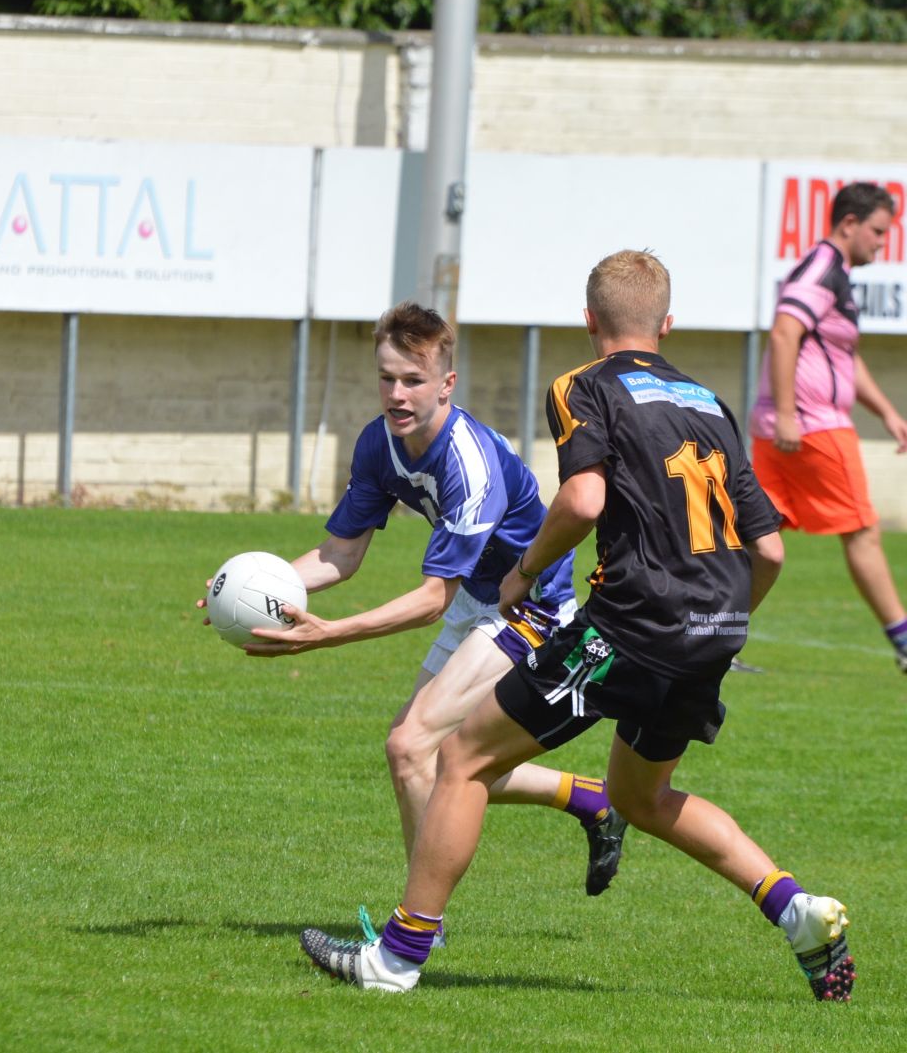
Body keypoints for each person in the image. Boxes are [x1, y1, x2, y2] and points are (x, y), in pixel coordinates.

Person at [300, 251, 854, 1003]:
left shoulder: (584, 385)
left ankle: (395, 958)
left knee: (457, 757)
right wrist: (718, 624)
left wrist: (525, 570)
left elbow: (585, 499)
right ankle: (796, 909)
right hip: (714, 629)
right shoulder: (708, 402)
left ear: (588, 320)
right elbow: (770, 550)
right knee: (642, 796)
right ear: (667, 325)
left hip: (629, 623)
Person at [232, 300, 627, 919]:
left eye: (413, 380)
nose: (396, 393)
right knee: (431, 754)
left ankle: (418, 926)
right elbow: (340, 553)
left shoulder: (466, 460)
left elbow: (429, 600)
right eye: (387, 377)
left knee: (412, 748)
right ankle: (589, 799)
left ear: (446, 384)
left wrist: (329, 633)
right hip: (478, 597)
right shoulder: (377, 443)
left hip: (530, 606)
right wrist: (251, 586)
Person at [750, 182, 907, 674]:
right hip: (812, 429)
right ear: (849, 224)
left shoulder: (834, 273)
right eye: (878, 233)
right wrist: (792, 414)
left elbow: (844, 357)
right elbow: (783, 332)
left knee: (756, 539)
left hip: (787, 427)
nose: (882, 245)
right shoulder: (821, 267)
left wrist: (886, 412)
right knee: (862, 532)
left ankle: (712, 638)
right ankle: (903, 641)